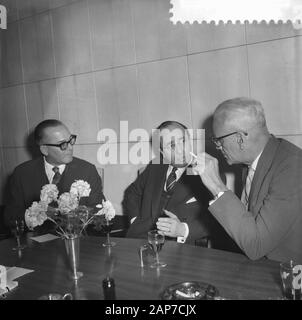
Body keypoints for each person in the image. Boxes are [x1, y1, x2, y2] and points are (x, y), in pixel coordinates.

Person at [192, 97, 302, 262]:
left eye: (219, 140)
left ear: (239, 138)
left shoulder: (292, 168)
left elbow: (256, 245)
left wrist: (216, 186)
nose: (218, 147)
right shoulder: (253, 162)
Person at [124, 121, 214, 245]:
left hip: (181, 250)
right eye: (172, 145)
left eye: (183, 141)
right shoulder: (155, 166)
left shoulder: (208, 171)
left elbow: (215, 220)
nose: (180, 150)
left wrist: (183, 230)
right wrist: (134, 220)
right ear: (162, 153)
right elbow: (132, 193)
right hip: (139, 241)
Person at [4, 119, 105, 228]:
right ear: (44, 149)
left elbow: (99, 210)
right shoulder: (22, 173)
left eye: (71, 140)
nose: (70, 147)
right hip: (36, 241)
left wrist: (75, 215)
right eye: (62, 144)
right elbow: (11, 216)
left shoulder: (87, 170)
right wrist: (38, 215)